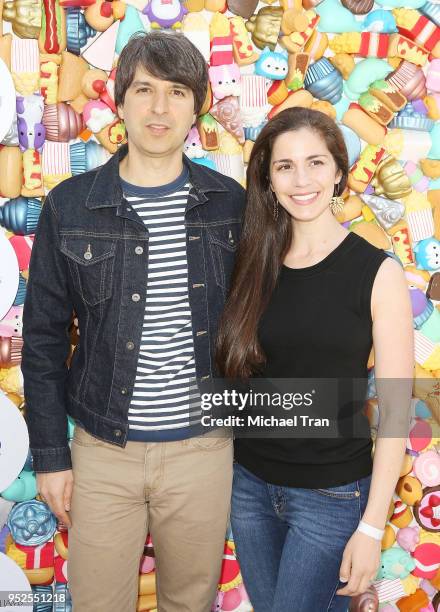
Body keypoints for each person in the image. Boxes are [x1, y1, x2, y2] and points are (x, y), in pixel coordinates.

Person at [21, 31, 245, 612]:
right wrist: (50, 456)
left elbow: (263, 321)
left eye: (176, 91)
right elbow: (43, 340)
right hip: (102, 452)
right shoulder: (70, 205)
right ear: (120, 100)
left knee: (190, 602)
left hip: (203, 451)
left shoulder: (231, 205)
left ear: (196, 106)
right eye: (144, 89)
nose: (159, 107)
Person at [216, 107, 414, 611]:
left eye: (315, 163)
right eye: (285, 167)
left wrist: (372, 525)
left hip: (331, 498)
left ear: (339, 172)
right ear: (267, 179)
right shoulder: (252, 263)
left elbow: (395, 411)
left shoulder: (377, 272)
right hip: (251, 489)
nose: (301, 180)